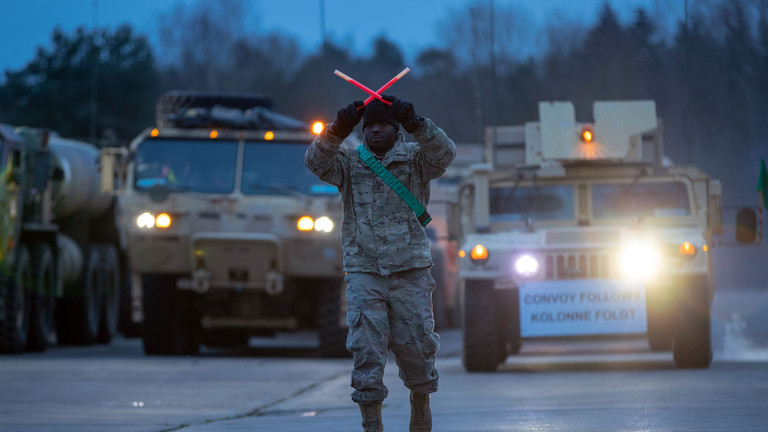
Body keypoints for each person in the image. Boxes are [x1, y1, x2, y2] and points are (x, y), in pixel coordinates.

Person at [305, 95, 456, 432]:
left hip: (410, 270)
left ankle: (420, 401)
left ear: (394, 129)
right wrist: (337, 130)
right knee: (366, 349)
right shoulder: (349, 163)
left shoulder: (416, 161)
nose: (374, 131)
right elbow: (315, 162)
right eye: (368, 126)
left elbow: (445, 154)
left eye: (382, 125)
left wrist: (418, 124)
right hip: (365, 270)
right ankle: (371, 422)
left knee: (417, 346)